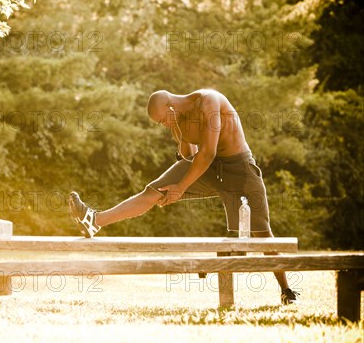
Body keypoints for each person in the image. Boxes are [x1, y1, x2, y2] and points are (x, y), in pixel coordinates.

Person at [69, 88, 300, 305]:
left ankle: (285, 289)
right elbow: (190, 157)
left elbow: (208, 152)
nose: (163, 125)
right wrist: (179, 137)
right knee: (153, 191)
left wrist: (180, 187)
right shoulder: (177, 120)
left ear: (170, 107)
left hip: (239, 169)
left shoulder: (209, 101)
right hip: (208, 169)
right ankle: (94, 221)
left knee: (262, 233)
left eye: (162, 120)